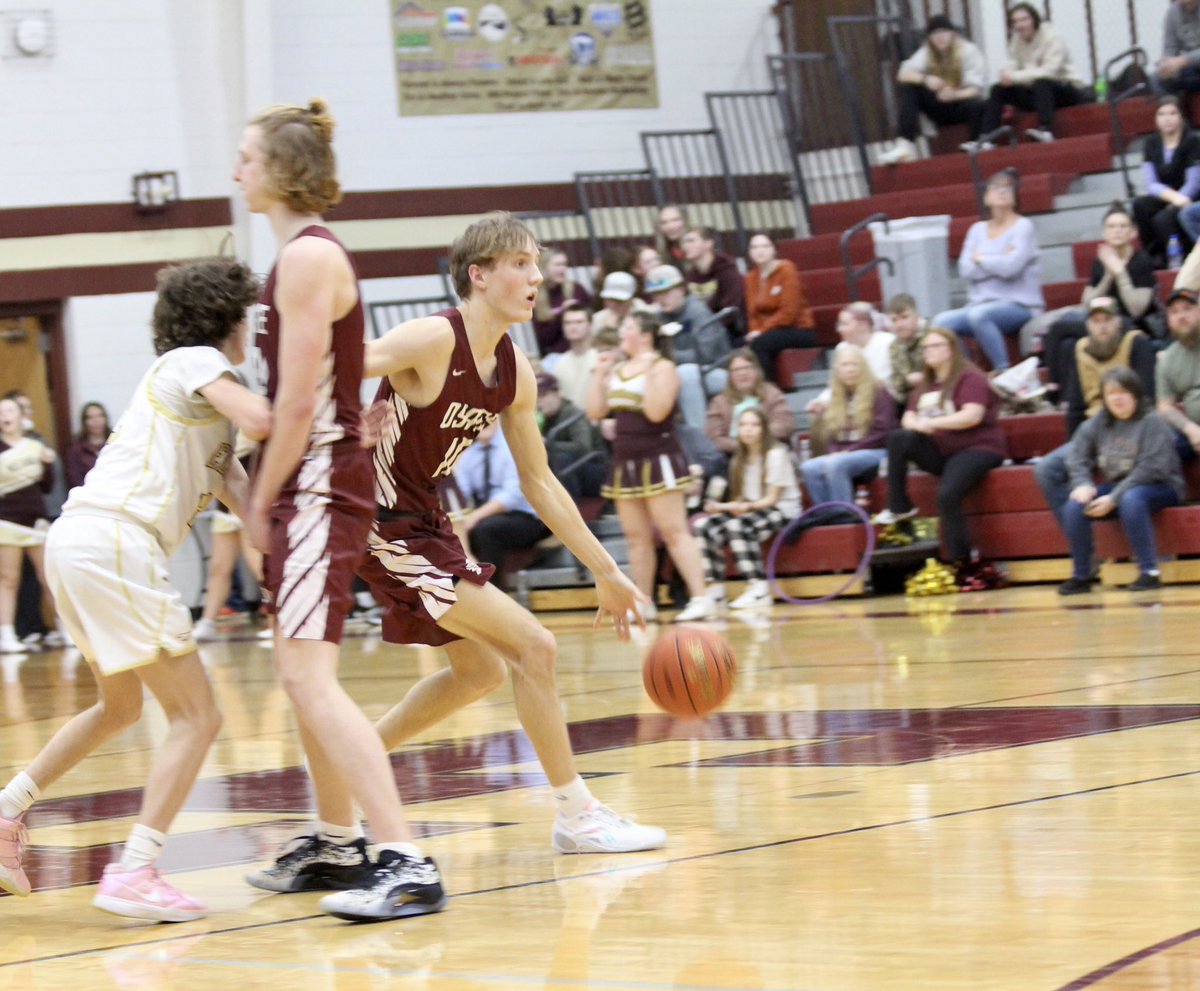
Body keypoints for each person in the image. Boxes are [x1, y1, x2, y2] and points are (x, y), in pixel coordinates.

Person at [356, 212, 665, 856]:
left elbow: (540, 482)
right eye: (521, 264)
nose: (537, 277)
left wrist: (606, 570)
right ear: (479, 275)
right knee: (535, 647)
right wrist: (336, 422)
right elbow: (339, 363)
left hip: (426, 520)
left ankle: (351, 761)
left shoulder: (515, 369)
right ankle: (577, 815)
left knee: (478, 674)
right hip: (377, 520)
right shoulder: (433, 338)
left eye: (537, 263)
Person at [0, 258, 271, 918]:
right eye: (251, 316)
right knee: (199, 716)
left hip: (82, 543)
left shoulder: (207, 418)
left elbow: (258, 519)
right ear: (226, 316)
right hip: (115, 543)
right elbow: (266, 418)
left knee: (119, 707)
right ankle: (135, 869)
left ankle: (5, 811)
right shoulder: (193, 360)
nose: (256, 329)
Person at [235, 99, 443, 922]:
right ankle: (336, 841)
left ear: (283, 170)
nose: (236, 170)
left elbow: (296, 405)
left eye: (247, 157)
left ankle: (406, 858)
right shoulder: (296, 257)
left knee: (307, 677)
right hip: (315, 478)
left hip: (319, 479)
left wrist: (257, 501)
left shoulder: (308, 258)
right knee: (300, 675)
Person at [588, 310, 717, 623]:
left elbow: (657, 412)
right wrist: (601, 375)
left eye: (628, 327)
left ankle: (701, 598)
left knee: (674, 532)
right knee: (636, 538)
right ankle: (644, 602)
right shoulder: (618, 368)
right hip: (625, 461)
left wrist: (646, 370)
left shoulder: (663, 367)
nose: (622, 332)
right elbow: (595, 411)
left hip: (659, 458)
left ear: (645, 336)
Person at [873, 327, 1008, 571]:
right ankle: (899, 506)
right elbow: (908, 418)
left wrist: (933, 423)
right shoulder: (926, 384)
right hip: (942, 449)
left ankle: (961, 562)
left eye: (935, 346)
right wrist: (917, 424)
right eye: (925, 347)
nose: (928, 351)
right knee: (899, 438)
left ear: (951, 350)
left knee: (947, 495)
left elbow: (972, 416)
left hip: (977, 448)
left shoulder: (970, 377)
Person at [1055, 367, 1183, 595]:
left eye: (1123, 392)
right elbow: (1076, 457)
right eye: (1111, 393)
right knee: (1074, 506)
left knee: (1131, 499)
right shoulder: (1098, 422)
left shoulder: (1151, 421)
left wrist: (1114, 497)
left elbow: (1151, 468)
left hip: (1161, 485)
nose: (1117, 398)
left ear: (1135, 395)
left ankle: (1149, 572)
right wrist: (1082, 483)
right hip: (1120, 488)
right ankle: (1082, 575)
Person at [1034, 297, 1159, 528]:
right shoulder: (1081, 349)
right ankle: (1079, 538)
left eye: (1107, 319)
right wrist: (1076, 451)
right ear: (1088, 325)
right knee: (1046, 469)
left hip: (1133, 430)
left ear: (1118, 322)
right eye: (1096, 321)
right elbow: (1076, 406)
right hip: (1094, 434)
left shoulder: (1136, 343)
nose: (1102, 326)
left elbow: (1147, 398)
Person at [1040, 204, 1159, 397]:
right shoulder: (1100, 262)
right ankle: (1061, 394)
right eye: (1111, 226)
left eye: (1123, 226)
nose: (1117, 231)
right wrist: (1108, 275)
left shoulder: (1142, 261)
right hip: (1101, 321)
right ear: (1104, 233)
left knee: (1062, 330)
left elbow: (1136, 309)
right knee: (1065, 341)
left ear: (1133, 232)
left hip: (1133, 324)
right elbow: (1087, 304)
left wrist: (1120, 273)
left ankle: (1053, 389)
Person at [691, 407, 801, 610]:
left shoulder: (776, 454)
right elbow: (741, 498)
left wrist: (741, 507)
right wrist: (721, 507)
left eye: (754, 425)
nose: (748, 429)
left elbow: (771, 499)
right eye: (743, 425)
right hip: (753, 509)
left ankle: (758, 588)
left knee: (737, 526)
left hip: (782, 510)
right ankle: (716, 588)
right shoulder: (738, 460)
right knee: (703, 526)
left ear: (764, 429)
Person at [933, 170, 1042, 371]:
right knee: (941, 322)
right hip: (979, 303)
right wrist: (998, 260)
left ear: (1015, 196)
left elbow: (1011, 268)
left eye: (1008, 187)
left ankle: (1002, 369)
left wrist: (981, 258)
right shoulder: (976, 230)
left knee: (980, 315)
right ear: (985, 197)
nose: (1002, 191)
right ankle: (967, 371)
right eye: (996, 187)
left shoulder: (1023, 226)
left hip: (1018, 305)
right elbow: (966, 270)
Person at [450, 418, 550, 585]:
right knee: (450, 534)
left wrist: (473, 517)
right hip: (486, 519)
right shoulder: (468, 456)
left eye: (486, 418)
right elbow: (459, 496)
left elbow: (513, 496)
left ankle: (493, 589)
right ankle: (461, 591)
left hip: (526, 519)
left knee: (486, 530)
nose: (481, 423)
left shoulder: (513, 446)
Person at [974, 3, 1088, 146]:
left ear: (1034, 20)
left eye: (1024, 19)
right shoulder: (1016, 40)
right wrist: (1005, 74)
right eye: (1015, 21)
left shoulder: (1052, 37)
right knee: (998, 89)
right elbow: (1011, 63)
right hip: (1036, 93)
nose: (1019, 25)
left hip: (1065, 89)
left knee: (1042, 82)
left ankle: (1046, 130)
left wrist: (1014, 77)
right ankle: (986, 138)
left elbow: (1050, 71)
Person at [0, 397, 63, 655]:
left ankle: (66, 630)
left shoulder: (35, 447)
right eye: (1, 412)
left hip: (36, 520)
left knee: (48, 577)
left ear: (20, 415)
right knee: (9, 579)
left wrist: (47, 464)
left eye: (10, 410)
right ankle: (6, 635)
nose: (6, 415)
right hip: (7, 520)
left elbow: (47, 487)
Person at [879, 14, 986, 165]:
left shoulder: (968, 51)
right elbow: (903, 74)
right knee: (911, 88)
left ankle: (976, 144)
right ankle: (904, 144)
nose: (940, 37)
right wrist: (925, 79)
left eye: (944, 32)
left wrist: (955, 95)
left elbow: (976, 89)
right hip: (939, 105)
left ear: (952, 33)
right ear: (929, 37)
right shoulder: (926, 52)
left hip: (962, 104)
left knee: (979, 104)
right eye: (935, 33)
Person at [801, 344, 896, 508]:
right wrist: (834, 452)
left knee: (837, 464)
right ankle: (826, 515)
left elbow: (882, 432)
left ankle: (844, 514)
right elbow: (833, 433)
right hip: (845, 454)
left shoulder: (879, 392)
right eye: (845, 365)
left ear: (863, 367)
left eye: (854, 364)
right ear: (837, 370)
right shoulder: (836, 397)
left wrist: (848, 452)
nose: (850, 369)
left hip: (877, 451)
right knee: (808, 468)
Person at [641, 264, 731, 431]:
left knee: (686, 373)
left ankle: (699, 434)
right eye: (656, 295)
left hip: (717, 371)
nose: (661, 299)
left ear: (681, 289)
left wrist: (667, 357)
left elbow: (705, 355)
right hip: (677, 372)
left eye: (666, 293)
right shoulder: (657, 317)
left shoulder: (698, 311)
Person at [1133, 97, 1200, 267]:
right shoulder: (1151, 143)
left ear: (1181, 117)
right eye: (1161, 114)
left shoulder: (1192, 140)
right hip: (1167, 194)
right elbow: (1150, 182)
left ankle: (1179, 257)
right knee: (1140, 205)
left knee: (1164, 218)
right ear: (1156, 119)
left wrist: (1179, 199)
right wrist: (1172, 197)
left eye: (1172, 113)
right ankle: (1153, 255)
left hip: (1189, 195)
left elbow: (1194, 182)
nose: (1167, 118)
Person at [742, 232, 816, 377]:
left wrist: (761, 331)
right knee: (742, 344)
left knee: (760, 343)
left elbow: (789, 313)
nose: (760, 251)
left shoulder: (787, 270)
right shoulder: (750, 278)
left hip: (797, 328)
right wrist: (754, 331)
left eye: (765, 246)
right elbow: (752, 313)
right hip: (768, 331)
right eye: (754, 247)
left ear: (774, 250)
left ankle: (767, 386)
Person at [704, 349, 795, 458]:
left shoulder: (772, 394)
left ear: (757, 371)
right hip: (735, 456)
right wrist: (742, 446)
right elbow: (714, 438)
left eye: (747, 368)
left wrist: (756, 437)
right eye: (737, 370)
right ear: (730, 376)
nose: (743, 373)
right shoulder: (718, 402)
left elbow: (784, 426)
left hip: (769, 450)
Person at [536, 371, 608, 500]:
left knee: (562, 459)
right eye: (536, 397)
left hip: (594, 469)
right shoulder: (540, 418)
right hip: (571, 472)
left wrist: (547, 443)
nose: (539, 401)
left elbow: (583, 448)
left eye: (544, 395)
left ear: (557, 393)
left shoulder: (572, 413)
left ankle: (569, 505)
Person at [1154, 287, 1200, 461]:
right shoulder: (1167, 359)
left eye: (1187, 309)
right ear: (1169, 320)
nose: (1181, 316)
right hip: (1195, 430)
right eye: (1174, 312)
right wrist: (1190, 428)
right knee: (1158, 441)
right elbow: (1164, 407)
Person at [533, 246, 592, 364]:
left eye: (565, 264)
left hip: (582, 349)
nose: (563, 269)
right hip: (556, 355)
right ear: (544, 267)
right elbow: (544, 338)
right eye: (558, 265)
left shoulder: (576, 290)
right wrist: (561, 313)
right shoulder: (536, 296)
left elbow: (591, 319)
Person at [680, 225, 745, 325]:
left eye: (691, 241)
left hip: (728, 327)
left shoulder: (727, 270)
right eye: (684, 242)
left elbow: (732, 307)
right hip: (701, 327)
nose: (685, 246)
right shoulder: (691, 276)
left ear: (708, 243)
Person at [553, 301, 599, 411]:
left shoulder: (600, 357)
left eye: (579, 322)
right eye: (567, 323)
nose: (573, 327)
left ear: (590, 325)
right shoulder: (560, 362)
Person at [886, 294, 930, 406]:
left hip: (935, 392)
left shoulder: (932, 336)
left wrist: (923, 377)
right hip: (908, 401)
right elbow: (897, 383)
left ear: (917, 316)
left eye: (905, 317)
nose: (899, 324)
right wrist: (908, 380)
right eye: (894, 320)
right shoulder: (894, 346)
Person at [1154, 0, 1200, 98]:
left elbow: (1180, 61)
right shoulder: (1173, 12)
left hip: (1191, 63)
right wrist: (1166, 65)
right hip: (1190, 69)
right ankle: (1173, 107)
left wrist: (1182, 61)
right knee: (1157, 79)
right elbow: (1170, 47)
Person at [64, 401, 110, 492]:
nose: (96, 421)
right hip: (89, 495)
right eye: (90, 417)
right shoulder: (75, 450)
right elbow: (75, 480)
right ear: (84, 421)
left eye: (100, 416)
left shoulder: (116, 444)